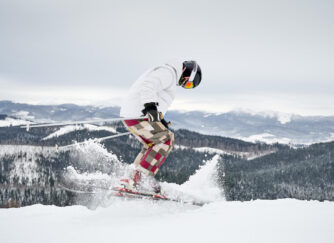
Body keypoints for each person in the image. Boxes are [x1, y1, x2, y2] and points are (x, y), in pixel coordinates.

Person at [119, 59, 202, 193]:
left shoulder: (169, 74)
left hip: (134, 114)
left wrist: (159, 118)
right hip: (138, 114)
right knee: (166, 140)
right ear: (187, 74)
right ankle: (138, 180)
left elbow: (156, 96)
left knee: (153, 143)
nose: (185, 85)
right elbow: (148, 86)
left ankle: (131, 179)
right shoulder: (168, 72)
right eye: (188, 84)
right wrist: (150, 107)